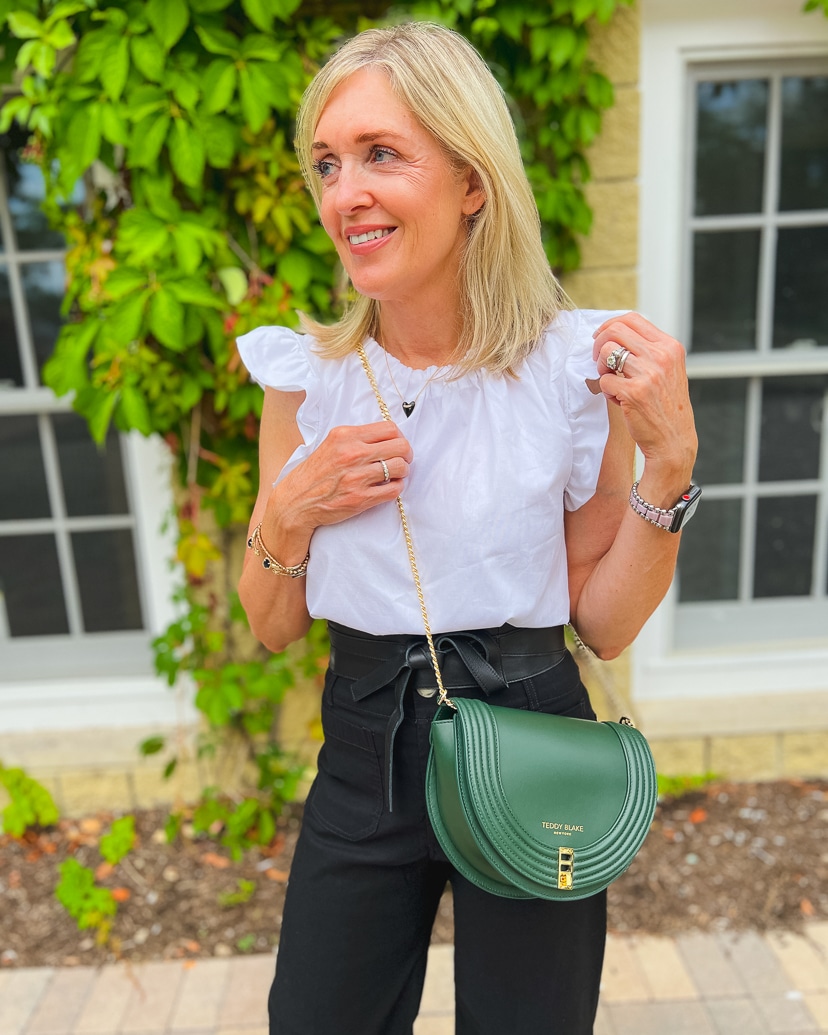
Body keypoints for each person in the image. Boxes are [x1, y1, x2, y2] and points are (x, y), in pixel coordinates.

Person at [237, 21, 698, 1035]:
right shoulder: (302, 378)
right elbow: (271, 623)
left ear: (472, 181)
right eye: (327, 162)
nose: (342, 192)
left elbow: (604, 622)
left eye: (380, 154)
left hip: (533, 727)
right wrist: (288, 509)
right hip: (364, 743)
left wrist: (669, 467)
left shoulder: (570, 375)